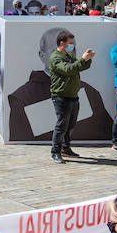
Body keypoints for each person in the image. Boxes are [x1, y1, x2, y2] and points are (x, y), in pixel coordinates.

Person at [48, 30, 94, 164]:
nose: (71, 46)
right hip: (61, 96)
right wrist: (83, 59)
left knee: (70, 125)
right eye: (70, 43)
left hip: (73, 95)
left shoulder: (68, 55)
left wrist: (88, 59)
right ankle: (55, 151)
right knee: (61, 125)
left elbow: (78, 67)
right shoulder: (55, 57)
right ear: (62, 43)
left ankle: (65, 148)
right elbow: (69, 70)